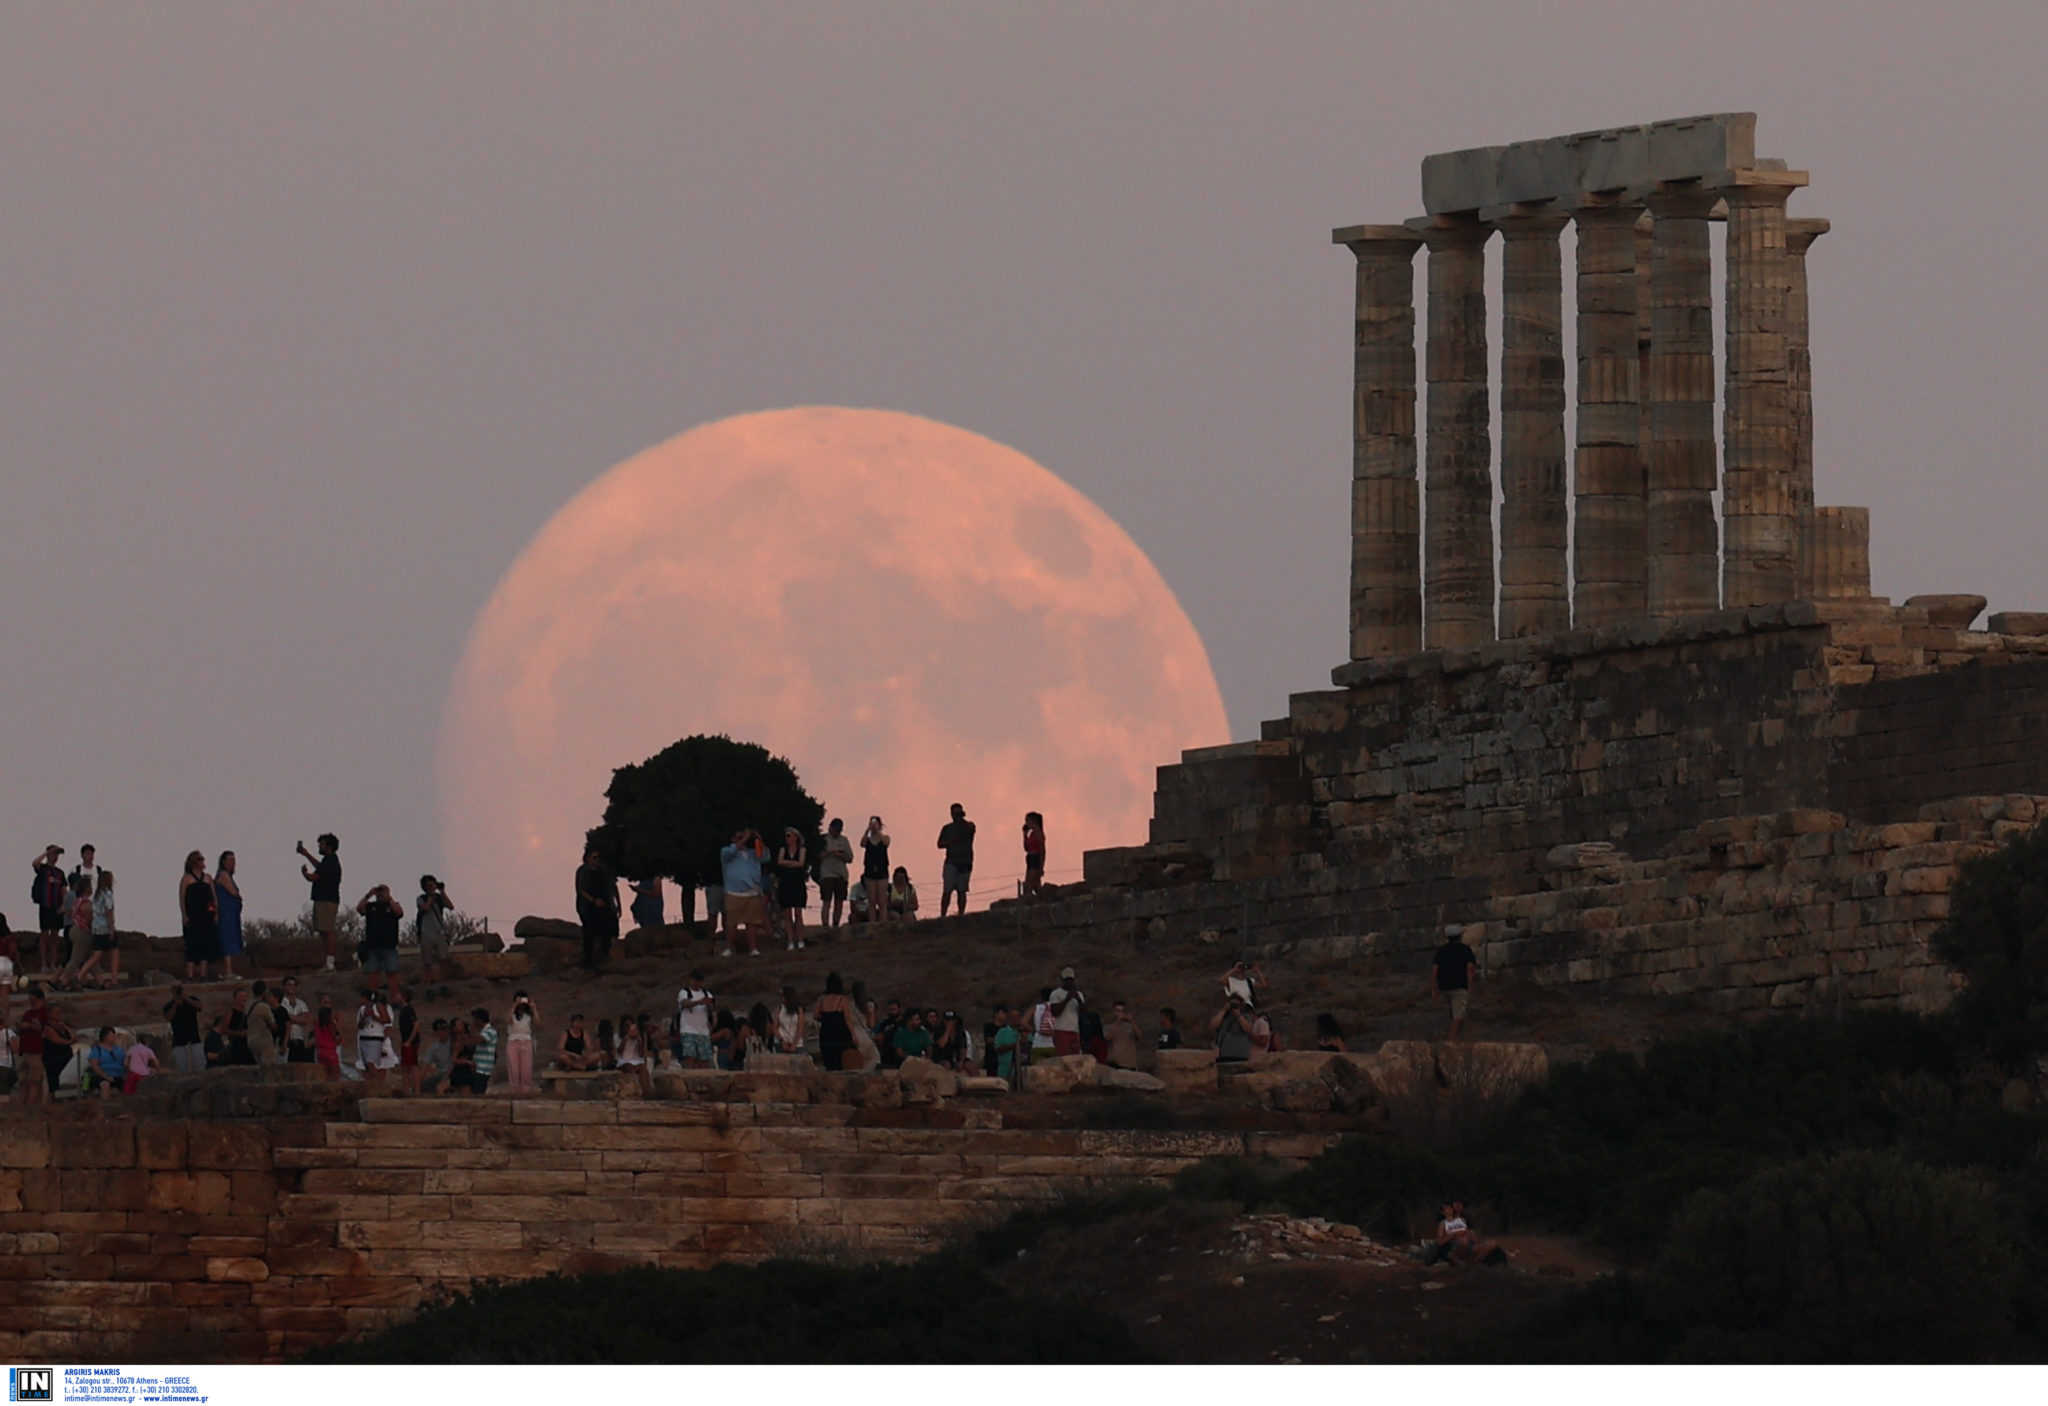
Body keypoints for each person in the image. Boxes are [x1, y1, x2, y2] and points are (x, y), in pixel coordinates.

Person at [718, 829, 767, 957]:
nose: (742, 839)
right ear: (733, 838)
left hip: (752, 892)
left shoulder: (752, 853)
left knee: (751, 923)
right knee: (732, 923)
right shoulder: (727, 851)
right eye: (739, 837)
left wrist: (758, 839)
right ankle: (728, 948)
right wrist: (745, 837)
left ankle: (753, 949)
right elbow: (733, 851)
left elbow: (765, 857)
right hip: (734, 892)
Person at [297, 834, 342, 972]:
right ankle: (329, 962)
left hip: (326, 900)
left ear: (328, 846)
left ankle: (330, 963)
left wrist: (305, 874)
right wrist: (306, 854)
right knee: (324, 930)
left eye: (322, 844)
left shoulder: (330, 861)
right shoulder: (329, 861)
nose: (319, 847)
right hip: (325, 899)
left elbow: (313, 877)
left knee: (327, 931)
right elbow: (320, 867)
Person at [572, 848, 620, 971]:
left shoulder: (604, 871)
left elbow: (613, 887)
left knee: (608, 930)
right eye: (594, 858)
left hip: (605, 906)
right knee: (589, 933)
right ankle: (588, 961)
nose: (597, 860)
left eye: (598, 857)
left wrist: (618, 904)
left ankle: (605, 956)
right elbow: (581, 890)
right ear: (587, 858)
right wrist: (594, 900)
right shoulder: (583, 871)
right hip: (589, 907)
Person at [356, 885, 404, 1000]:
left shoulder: (393, 905)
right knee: (373, 974)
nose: (380, 894)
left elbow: (399, 913)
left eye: (383, 891)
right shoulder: (371, 906)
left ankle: (395, 999)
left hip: (389, 946)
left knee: (392, 974)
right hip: (373, 946)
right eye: (379, 891)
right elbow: (359, 909)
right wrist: (369, 895)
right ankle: (371, 999)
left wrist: (389, 898)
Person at [1432, 924, 1479, 1040]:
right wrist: (1470, 985)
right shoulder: (1466, 950)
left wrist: (1434, 989)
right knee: (1458, 1016)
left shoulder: (1441, 951)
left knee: (1453, 1013)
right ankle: (1451, 1041)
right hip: (1460, 986)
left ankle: (1458, 1036)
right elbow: (1470, 968)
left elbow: (1435, 970)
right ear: (1460, 936)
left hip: (1444, 987)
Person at [32, 845, 68, 975]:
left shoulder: (60, 873)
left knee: (55, 936)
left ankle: (52, 963)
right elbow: (35, 863)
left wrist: (64, 905)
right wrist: (46, 852)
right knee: (44, 935)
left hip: (57, 907)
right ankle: (43, 964)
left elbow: (64, 890)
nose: (55, 857)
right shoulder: (43, 869)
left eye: (57, 854)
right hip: (45, 906)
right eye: (53, 854)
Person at [936, 803, 977, 917]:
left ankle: (961, 914)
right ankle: (943, 915)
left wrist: (962, 820)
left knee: (962, 890)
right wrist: (951, 842)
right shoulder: (947, 828)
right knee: (947, 890)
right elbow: (939, 844)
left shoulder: (968, 826)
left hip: (965, 861)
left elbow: (972, 828)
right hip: (951, 861)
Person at [813, 971, 859, 1072]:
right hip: (840, 1033)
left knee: (829, 1061)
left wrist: (825, 1019)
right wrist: (853, 1035)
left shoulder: (821, 999)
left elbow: (815, 1015)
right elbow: (847, 1018)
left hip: (826, 1033)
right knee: (841, 1061)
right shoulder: (842, 1000)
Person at [774, 828, 809, 950]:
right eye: (786, 836)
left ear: (795, 837)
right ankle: (790, 941)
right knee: (787, 914)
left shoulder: (802, 849)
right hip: (786, 883)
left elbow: (801, 863)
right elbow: (780, 862)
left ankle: (800, 940)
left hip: (797, 883)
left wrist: (787, 863)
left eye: (789, 835)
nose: (787, 838)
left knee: (798, 913)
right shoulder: (783, 849)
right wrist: (793, 863)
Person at [817, 819, 854, 929]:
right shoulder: (823, 839)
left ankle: (835, 925)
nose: (836, 832)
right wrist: (827, 853)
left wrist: (838, 854)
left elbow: (850, 857)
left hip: (841, 875)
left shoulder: (844, 840)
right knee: (826, 901)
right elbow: (817, 856)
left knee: (839, 901)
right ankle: (825, 925)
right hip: (827, 874)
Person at [416, 875, 454, 982]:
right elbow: (426, 908)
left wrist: (442, 892)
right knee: (427, 962)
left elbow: (451, 906)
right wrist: (430, 896)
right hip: (426, 933)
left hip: (439, 932)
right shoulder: (421, 898)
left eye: (432, 884)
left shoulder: (439, 898)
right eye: (428, 885)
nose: (431, 887)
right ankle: (428, 982)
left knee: (443, 959)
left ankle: (444, 982)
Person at [16, 988, 50, 1105]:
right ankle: (21, 1105)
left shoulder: (43, 1012)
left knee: (33, 1081)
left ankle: (30, 1106)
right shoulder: (28, 1012)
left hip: (35, 1052)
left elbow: (41, 1028)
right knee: (22, 1081)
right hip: (24, 1050)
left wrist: (29, 1026)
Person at [86, 869, 120, 987]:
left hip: (97, 927)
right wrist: (112, 929)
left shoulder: (96, 895)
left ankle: (80, 974)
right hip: (105, 927)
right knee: (114, 954)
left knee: (97, 954)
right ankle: (114, 980)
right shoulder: (107, 894)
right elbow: (109, 912)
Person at [215, 850, 245, 979]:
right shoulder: (223, 875)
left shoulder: (228, 875)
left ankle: (227, 971)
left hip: (231, 913)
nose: (234, 863)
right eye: (230, 860)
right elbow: (233, 892)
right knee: (227, 940)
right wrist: (238, 896)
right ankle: (227, 972)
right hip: (225, 913)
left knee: (230, 939)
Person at [674, 972, 714, 1068]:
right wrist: (699, 1002)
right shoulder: (684, 992)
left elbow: (713, 1005)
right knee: (690, 1056)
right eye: (695, 980)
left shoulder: (706, 993)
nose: (697, 983)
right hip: (688, 1030)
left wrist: (710, 1004)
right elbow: (684, 1003)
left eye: (699, 981)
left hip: (703, 1031)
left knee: (704, 1059)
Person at [356, 990, 394, 1088]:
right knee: (366, 1066)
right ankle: (372, 1086)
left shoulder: (378, 1007)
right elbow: (359, 1025)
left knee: (370, 1063)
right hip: (364, 1038)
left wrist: (374, 1016)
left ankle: (382, 1085)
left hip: (375, 1038)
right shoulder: (362, 1009)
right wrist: (364, 1017)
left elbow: (387, 1019)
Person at [38, 1000, 75, 1098]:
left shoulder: (62, 1025)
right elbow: (58, 1040)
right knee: (54, 1084)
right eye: (55, 1012)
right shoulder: (47, 1027)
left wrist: (66, 1028)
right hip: (53, 1059)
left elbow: (74, 1037)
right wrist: (69, 1042)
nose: (58, 1014)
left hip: (65, 1057)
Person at [164, 983, 205, 1071]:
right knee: (181, 1068)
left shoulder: (191, 1000)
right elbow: (168, 1017)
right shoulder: (169, 1005)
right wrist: (176, 1003)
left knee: (200, 1066)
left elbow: (200, 1007)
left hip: (194, 1038)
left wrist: (187, 999)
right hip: (179, 1041)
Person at [504, 990, 538, 1096]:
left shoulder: (529, 1015)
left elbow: (538, 1024)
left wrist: (534, 1008)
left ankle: (526, 1091)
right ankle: (514, 1091)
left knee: (526, 1069)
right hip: (513, 1041)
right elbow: (507, 1020)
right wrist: (514, 1006)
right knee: (514, 1070)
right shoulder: (512, 1012)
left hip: (526, 1041)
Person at [859, 817, 891, 928]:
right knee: (872, 900)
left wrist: (879, 832)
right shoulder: (868, 840)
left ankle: (883, 923)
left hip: (882, 870)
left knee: (882, 900)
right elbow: (862, 844)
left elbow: (886, 843)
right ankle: (872, 924)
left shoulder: (884, 838)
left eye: (875, 823)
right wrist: (867, 831)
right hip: (870, 870)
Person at [1049, 966, 1085, 1057]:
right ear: (1062, 980)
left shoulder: (1079, 994)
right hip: (1061, 1030)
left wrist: (1079, 1000)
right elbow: (1055, 1012)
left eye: (1071, 980)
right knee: (1063, 1058)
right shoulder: (1056, 993)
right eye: (1067, 980)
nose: (1069, 982)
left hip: (1075, 1031)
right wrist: (1067, 999)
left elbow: (1084, 1013)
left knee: (1075, 1059)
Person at [278, 976, 312, 1064]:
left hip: (299, 1040)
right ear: (284, 986)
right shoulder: (280, 1003)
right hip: (286, 1039)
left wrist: (290, 1017)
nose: (291, 987)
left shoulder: (301, 1003)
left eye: (293, 985)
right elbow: (282, 1019)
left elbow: (306, 1020)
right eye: (289, 985)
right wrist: (298, 1017)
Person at [1211, 996, 1255, 1063]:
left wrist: (1238, 1016)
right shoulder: (1224, 1017)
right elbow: (1214, 1025)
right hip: (1223, 1053)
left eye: (1236, 1005)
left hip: (1240, 1053)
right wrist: (1224, 1010)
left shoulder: (1246, 1016)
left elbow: (1248, 1029)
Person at [87, 1026, 126, 1097]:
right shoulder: (97, 1050)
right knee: (105, 1086)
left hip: (118, 1076)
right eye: (111, 1035)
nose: (114, 1037)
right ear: (105, 1037)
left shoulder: (119, 1050)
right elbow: (94, 1065)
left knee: (117, 1091)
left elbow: (125, 1063)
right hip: (103, 1076)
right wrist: (106, 1077)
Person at [247, 981, 279, 1065]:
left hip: (251, 1039)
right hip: (263, 1040)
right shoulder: (264, 1007)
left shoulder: (248, 1003)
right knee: (268, 1067)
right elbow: (273, 1026)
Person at [616, 1014, 650, 1092]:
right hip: (623, 1062)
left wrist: (638, 1039)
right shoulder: (618, 1037)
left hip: (636, 1061)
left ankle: (646, 1090)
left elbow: (641, 1053)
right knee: (630, 1068)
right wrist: (626, 1038)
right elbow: (620, 1052)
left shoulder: (638, 1038)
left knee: (643, 1069)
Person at [396, 987, 420, 1095]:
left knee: (412, 1067)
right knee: (405, 1067)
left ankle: (416, 1091)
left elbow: (416, 1025)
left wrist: (409, 1041)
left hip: (410, 1042)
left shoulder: (408, 1010)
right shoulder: (404, 1010)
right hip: (406, 1041)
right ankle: (406, 1090)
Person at [1104, 1002, 1143, 1069]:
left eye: (1122, 1011)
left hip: (1129, 1064)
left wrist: (1131, 1021)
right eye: (1118, 1011)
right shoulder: (1108, 1026)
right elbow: (1108, 1038)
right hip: (1115, 1064)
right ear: (1114, 1012)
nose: (1120, 1013)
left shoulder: (1130, 1026)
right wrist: (1118, 1021)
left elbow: (1139, 1036)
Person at [989, 1006, 1021, 1085]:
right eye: (1012, 1017)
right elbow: (997, 1049)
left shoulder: (1024, 1032)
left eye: (1017, 1016)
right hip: (1005, 1071)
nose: (1015, 1019)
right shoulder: (1002, 1032)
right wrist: (1014, 1045)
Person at [418, 1018, 450, 1094]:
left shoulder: (455, 1043)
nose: (443, 1031)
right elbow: (425, 1068)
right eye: (440, 1030)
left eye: (444, 1029)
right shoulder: (433, 1049)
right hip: (441, 1075)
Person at [471, 1007, 499, 1094]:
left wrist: (472, 1030)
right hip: (478, 1067)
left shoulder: (490, 1031)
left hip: (483, 1068)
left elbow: (477, 1040)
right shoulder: (483, 1031)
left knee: (478, 1092)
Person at [774, 985, 807, 1055]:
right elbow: (775, 1027)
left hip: (797, 1043)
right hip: (781, 1043)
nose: (781, 999)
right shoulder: (779, 1009)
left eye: (783, 996)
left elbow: (800, 1028)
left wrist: (794, 1044)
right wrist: (782, 1041)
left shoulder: (799, 1010)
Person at [1021, 812, 1047, 898]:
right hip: (1030, 858)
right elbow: (1026, 848)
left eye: (1027, 821)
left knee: (1029, 886)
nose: (1026, 823)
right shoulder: (1031, 834)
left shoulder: (1038, 833)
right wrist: (1024, 835)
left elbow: (1042, 851)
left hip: (1036, 859)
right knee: (1036, 887)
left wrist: (1041, 867)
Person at [1027, 988, 1056, 1063]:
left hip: (1038, 1044)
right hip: (1053, 1044)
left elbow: (1023, 1022)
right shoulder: (1056, 1008)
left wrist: (1034, 1030)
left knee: (1037, 1071)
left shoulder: (1035, 1008)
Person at [314, 1006, 342, 1081]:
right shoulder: (331, 1025)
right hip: (330, 1051)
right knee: (335, 1077)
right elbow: (337, 1039)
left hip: (320, 1052)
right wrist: (338, 1022)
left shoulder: (317, 1024)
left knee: (325, 1077)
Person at [226, 987, 253, 1065]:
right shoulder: (231, 1012)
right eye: (241, 996)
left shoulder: (246, 1012)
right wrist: (240, 1033)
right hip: (236, 1046)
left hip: (247, 1045)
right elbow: (224, 1029)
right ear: (235, 998)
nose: (244, 999)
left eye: (245, 996)